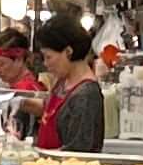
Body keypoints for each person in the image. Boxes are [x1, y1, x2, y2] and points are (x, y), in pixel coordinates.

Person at [30, 13, 106, 154]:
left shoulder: (86, 95)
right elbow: (50, 110)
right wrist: (18, 101)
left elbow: (77, 153)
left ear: (68, 52)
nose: (46, 64)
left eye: (48, 57)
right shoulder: (62, 81)